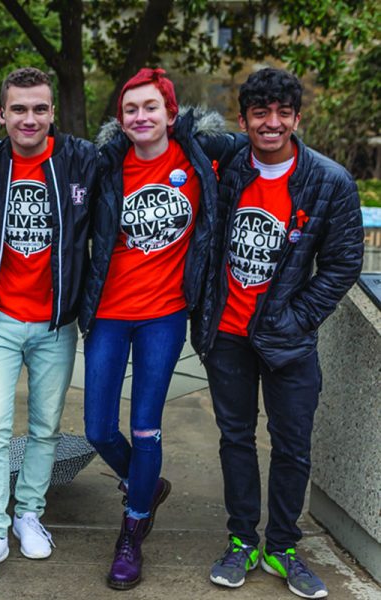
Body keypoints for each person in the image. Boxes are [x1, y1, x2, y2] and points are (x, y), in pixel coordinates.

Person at [202, 67, 363, 599]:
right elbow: (174, 130)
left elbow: (342, 264)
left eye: (282, 113)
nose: (271, 123)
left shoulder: (329, 180)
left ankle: (283, 546)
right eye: (260, 113)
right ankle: (242, 539)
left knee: (292, 446)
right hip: (228, 334)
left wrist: (296, 319)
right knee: (235, 440)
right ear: (245, 118)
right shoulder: (227, 166)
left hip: (289, 341)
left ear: (296, 117)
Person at [80, 68, 240, 590]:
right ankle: (145, 484)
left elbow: (268, 142)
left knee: (146, 424)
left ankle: (131, 532)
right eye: (130, 110)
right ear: (121, 120)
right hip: (108, 310)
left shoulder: (198, 156)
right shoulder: (108, 165)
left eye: (151, 107)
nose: (140, 117)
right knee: (99, 428)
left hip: (165, 314)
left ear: (171, 114)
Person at [0, 67, 97, 584]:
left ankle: (29, 515)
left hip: (56, 323)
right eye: (18, 108)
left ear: (52, 113)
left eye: (39, 108)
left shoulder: (81, 159)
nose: (29, 118)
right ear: (2, 114)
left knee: (45, 427)